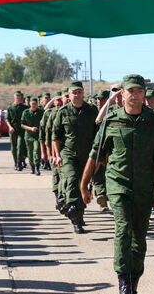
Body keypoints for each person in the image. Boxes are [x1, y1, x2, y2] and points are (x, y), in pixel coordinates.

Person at [80, 74, 154, 294]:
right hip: (118, 185)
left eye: (139, 91)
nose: (134, 95)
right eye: (130, 91)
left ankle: (134, 279)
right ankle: (123, 281)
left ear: (144, 94)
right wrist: (84, 184)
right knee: (123, 228)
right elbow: (95, 155)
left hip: (145, 187)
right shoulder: (111, 120)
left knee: (139, 236)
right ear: (123, 93)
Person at [53, 81, 98, 233]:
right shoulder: (63, 112)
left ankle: (78, 213)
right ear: (70, 95)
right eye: (74, 93)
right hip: (69, 153)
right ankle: (74, 214)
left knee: (82, 185)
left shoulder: (92, 111)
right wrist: (57, 155)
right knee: (71, 180)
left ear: (83, 93)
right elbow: (56, 136)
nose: (77, 95)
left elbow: (98, 134)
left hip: (87, 155)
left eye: (79, 92)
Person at [6, 91, 29, 170]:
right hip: (13, 130)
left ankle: (19, 162)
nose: (18, 100)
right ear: (14, 98)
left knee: (20, 146)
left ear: (21, 98)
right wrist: (10, 127)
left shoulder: (25, 108)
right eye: (16, 98)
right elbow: (7, 119)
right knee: (13, 147)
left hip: (21, 130)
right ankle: (16, 162)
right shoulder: (10, 108)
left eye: (19, 98)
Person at [21, 98, 44, 175]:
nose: (34, 105)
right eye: (32, 104)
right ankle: (32, 168)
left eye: (35, 104)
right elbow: (22, 124)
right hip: (28, 136)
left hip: (38, 135)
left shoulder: (41, 112)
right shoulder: (26, 112)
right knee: (30, 153)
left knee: (36, 150)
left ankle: (37, 168)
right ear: (30, 104)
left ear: (37, 104)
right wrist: (30, 128)